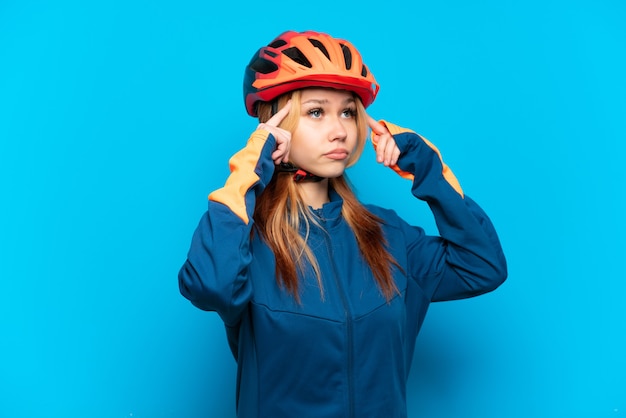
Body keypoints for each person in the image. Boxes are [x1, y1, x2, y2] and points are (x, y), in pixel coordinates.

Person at [178, 30, 507, 418]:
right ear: (276, 124)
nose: (340, 131)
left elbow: (482, 266)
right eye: (316, 112)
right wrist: (249, 168)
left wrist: (427, 166)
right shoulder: (244, 241)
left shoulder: (388, 234)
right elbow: (209, 285)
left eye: (348, 112)